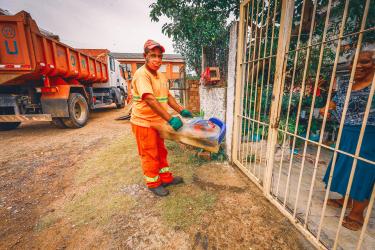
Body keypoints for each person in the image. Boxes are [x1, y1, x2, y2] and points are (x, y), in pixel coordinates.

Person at [320, 50, 375, 231]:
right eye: (354, 62)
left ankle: (357, 214)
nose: (358, 66)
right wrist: (327, 107)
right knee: (346, 165)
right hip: (346, 130)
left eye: (365, 62)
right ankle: (346, 199)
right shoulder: (345, 83)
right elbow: (336, 101)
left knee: (363, 171)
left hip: (369, 134)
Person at [131, 39, 193, 197]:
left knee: (161, 151)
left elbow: (168, 96)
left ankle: (165, 178)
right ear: (145, 56)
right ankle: (153, 183)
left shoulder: (161, 75)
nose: (157, 60)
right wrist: (170, 119)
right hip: (143, 123)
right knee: (149, 153)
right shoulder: (141, 75)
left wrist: (181, 110)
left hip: (157, 121)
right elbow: (150, 99)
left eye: (160, 56)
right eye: (153, 55)